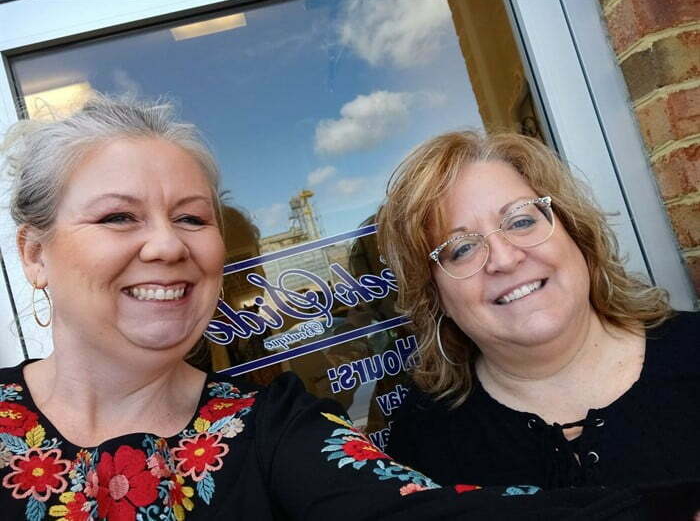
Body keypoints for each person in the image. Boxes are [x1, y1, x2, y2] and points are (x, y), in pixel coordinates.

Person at [0, 97, 693, 521]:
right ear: (33, 253)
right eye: (118, 216)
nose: (165, 245)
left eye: (191, 217)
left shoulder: (273, 429)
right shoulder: (431, 422)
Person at [376, 130, 700, 493]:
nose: (504, 259)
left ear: (575, 233)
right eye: (462, 249)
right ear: (437, 297)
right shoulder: (424, 442)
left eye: (521, 221)